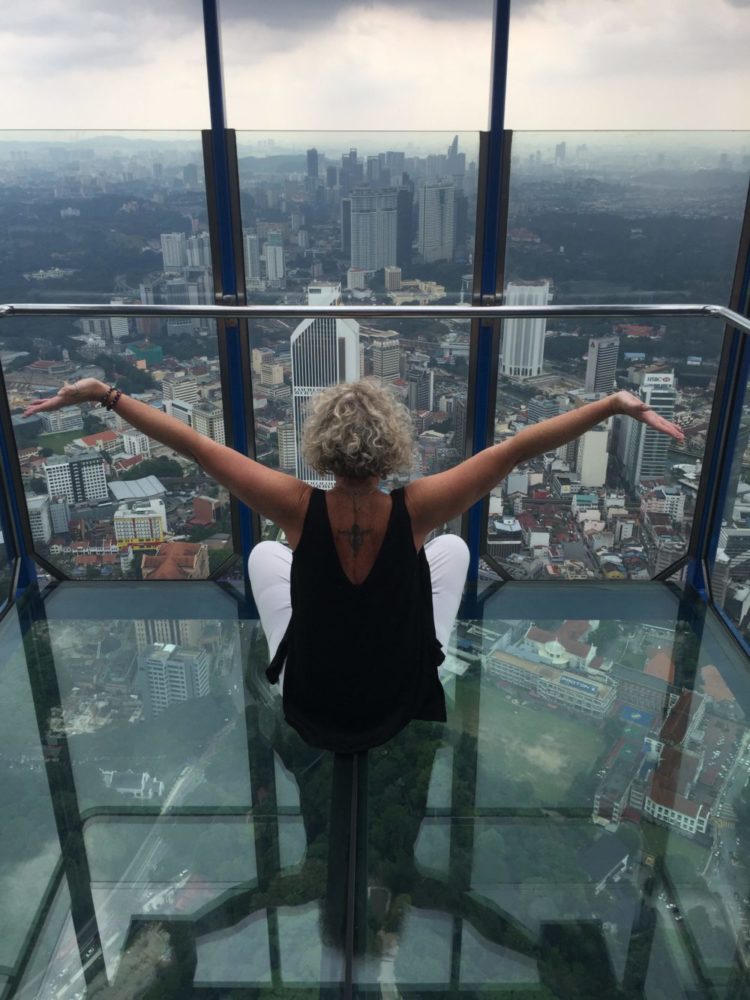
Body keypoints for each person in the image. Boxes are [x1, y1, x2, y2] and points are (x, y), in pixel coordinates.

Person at [24, 377, 684, 752]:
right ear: (393, 443)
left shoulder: (296, 505)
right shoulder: (418, 507)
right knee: (452, 549)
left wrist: (105, 395)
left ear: (320, 445)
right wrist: (612, 404)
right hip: (396, 702)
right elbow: (515, 450)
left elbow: (196, 447)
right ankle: (419, 644)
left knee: (265, 552)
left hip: (311, 704)